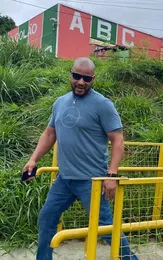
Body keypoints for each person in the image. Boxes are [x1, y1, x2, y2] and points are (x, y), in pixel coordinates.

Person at [23, 57, 138, 260]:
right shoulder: (60, 103)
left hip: (91, 181)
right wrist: (33, 160)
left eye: (87, 78)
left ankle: (130, 259)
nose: (81, 82)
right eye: (77, 76)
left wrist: (111, 174)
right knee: (47, 218)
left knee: (106, 228)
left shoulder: (103, 105)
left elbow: (118, 140)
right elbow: (50, 134)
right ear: (71, 75)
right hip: (64, 179)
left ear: (93, 79)